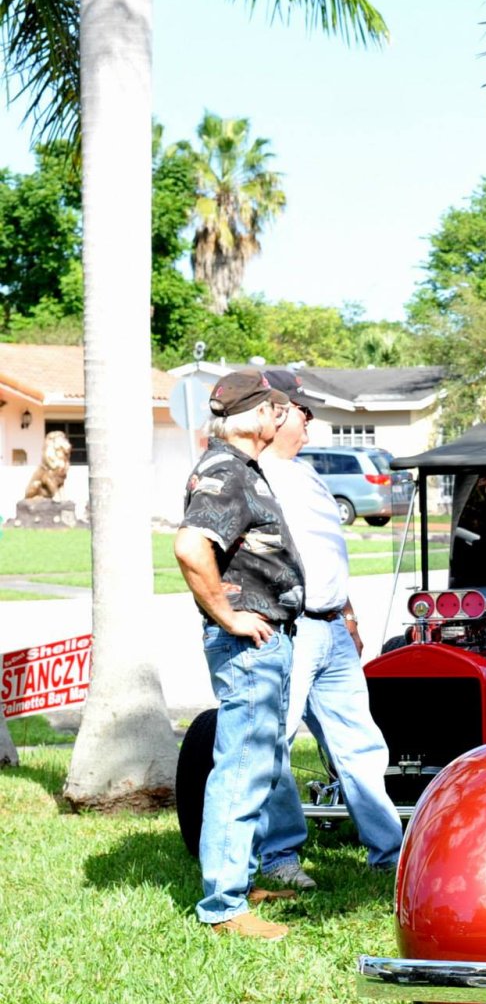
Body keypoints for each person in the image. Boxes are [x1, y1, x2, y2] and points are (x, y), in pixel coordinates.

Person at [254, 369, 404, 884]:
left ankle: (390, 855)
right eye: (300, 409)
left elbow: (326, 552)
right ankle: (279, 859)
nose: (309, 419)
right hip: (290, 629)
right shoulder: (253, 474)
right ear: (272, 412)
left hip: (332, 630)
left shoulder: (305, 471)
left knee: (360, 743)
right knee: (275, 743)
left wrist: (348, 613)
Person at [172, 371, 305, 941]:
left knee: (260, 763)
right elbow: (189, 543)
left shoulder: (240, 470)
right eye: (274, 409)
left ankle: (244, 880)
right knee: (240, 771)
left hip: (264, 640)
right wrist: (227, 616)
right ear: (251, 417)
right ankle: (224, 906)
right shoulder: (226, 471)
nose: (281, 418)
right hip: (247, 642)